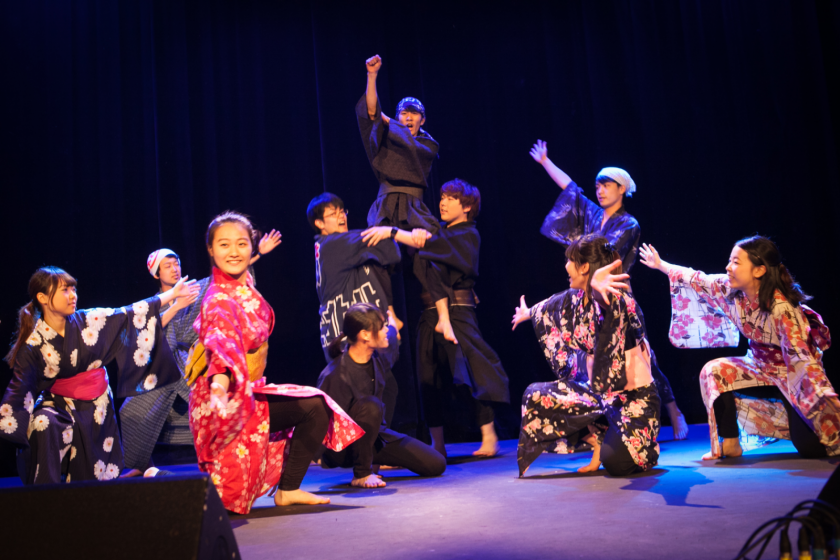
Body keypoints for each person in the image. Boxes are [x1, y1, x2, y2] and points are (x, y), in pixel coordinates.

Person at [187, 211, 363, 514]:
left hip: (249, 391)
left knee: (315, 405)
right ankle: (280, 489)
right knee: (226, 500)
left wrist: (256, 256)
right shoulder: (218, 300)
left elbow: (240, 269)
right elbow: (223, 349)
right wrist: (219, 387)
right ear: (210, 249)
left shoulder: (241, 286)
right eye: (224, 245)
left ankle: (289, 489)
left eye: (241, 244)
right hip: (226, 398)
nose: (233, 252)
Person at [529, 140, 689, 439]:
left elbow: (604, 256)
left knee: (642, 355)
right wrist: (545, 162)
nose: (600, 190)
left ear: (621, 189)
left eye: (607, 185)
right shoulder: (592, 216)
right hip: (589, 294)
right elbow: (572, 190)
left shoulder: (628, 223)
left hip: (615, 295)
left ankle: (672, 410)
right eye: (598, 185)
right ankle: (601, 422)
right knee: (594, 357)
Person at [639, 236, 840, 459]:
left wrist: (823, 395)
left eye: (736, 262)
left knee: (813, 449)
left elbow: (802, 361)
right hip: (758, 364)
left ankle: (794, 418)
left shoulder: (783, 309)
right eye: (729, 260)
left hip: (791, 375)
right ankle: (731, 442)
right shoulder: (730, 290)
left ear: (759, 270)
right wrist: (660, 265)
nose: (728, 267)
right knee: (713, 371)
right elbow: (696, 278)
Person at [0, 266, 197, 484]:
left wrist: (173, 296)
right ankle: (48, 498)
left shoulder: (88, 321)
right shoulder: (34, 344)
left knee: (98, 480)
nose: (73, 295)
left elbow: (129, 314)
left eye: (74, 289)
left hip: (97, 406)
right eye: (65, 290)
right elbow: (20, 387)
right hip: (58, 405)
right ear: (43, 297)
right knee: (42, 423)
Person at [120, 232, 281, 477]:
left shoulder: (196, 289)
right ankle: (138, 465)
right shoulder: (153, 303)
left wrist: (257, 255)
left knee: (226, 407)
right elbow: (144, 332)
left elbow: (226, 278)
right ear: (156, 274)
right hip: (160, 371)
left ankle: (250, 457)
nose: (174, 269)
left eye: (176, 263)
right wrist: (176, 305)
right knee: (130, 411)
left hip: (190, 367)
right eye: (167, 265)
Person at [512, 234, 661, 477]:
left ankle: (645, 448)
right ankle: (599, 439)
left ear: (584, 267)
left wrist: (599, 288)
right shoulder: (576, 297)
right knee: (535, 396)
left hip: (634, 399)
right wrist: (527, 313)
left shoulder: (618, 297)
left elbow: (610, 307)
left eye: (570, 260)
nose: (566, 266)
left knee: (616, 464)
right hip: (599, 395)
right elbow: (551, 305)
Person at [412, 179, 510, 458]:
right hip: (430, 313)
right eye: (442, 196)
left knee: (473, 369)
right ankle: (437, 444)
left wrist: (393, 232)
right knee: (428, 377)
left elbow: (437, 246)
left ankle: (489, 437)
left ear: (466, 206)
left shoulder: (467, 234)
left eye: (451, 198)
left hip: (459, 311)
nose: (442, 202)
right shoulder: (440, 234)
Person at [317, 303, 446, 488]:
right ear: (365, 335)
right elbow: (319, 421)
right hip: (344, 448)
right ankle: (361, 474)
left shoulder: (379, 359)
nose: (385, 330)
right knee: (371, 405)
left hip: (375, 438)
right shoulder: (335, 375)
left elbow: (391, 339)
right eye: (382, 327)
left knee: (436, 464)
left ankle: (369, 461)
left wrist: (393, 325)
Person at [308, 192, 429, 360]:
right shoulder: (334, 244)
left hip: (358, 338)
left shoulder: (329, 246)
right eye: (333, 214)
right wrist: (394, 232)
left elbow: (386, 257)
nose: (341, 216)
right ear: (319, 223)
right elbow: (382, 241)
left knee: (371, 263)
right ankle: (391, 316)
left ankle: (390, 315)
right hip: (349, 340)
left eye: (342, 211)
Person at [357, 54, 440, 233]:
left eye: (414, 113)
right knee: (381, 251)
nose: (409, 117)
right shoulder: (386, 137)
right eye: (404, 113)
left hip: (415, 208)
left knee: (427, 247)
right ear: (397, 117)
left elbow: (411, 145)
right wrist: (372, 76)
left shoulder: (429, 145)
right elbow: (372, 113)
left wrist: (386, 119)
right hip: (385, 206)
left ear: (423, 120)